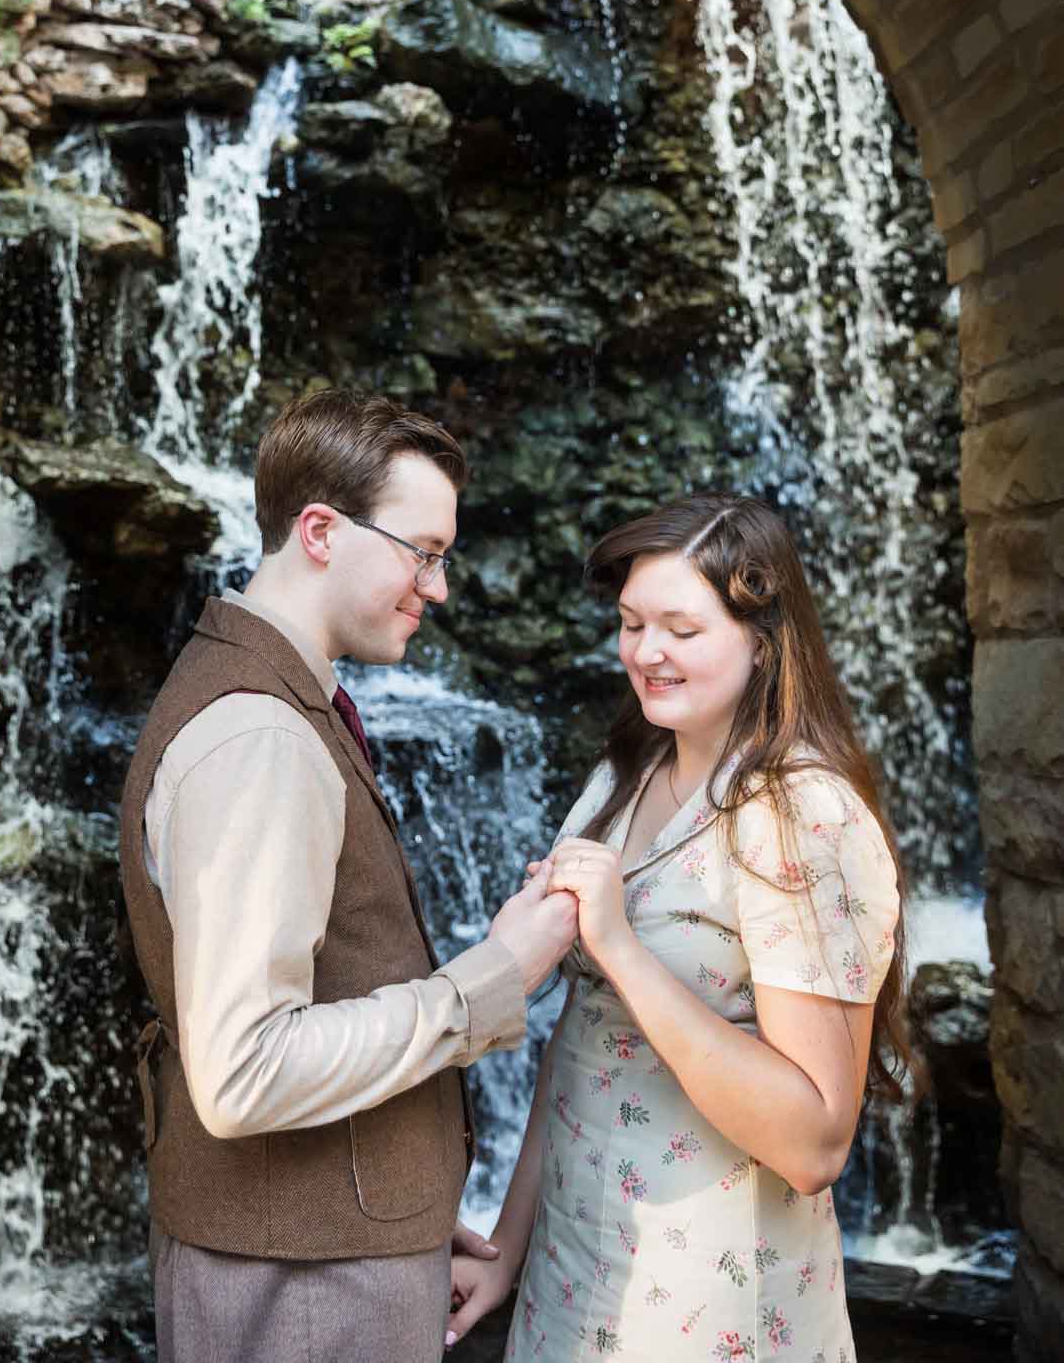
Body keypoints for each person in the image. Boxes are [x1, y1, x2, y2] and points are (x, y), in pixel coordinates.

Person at [118, 387, 579, 1363]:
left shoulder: (277, 696)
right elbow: (245, 1072)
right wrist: (494, 972)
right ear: (320, 530)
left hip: (324, 1255)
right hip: (301, 1285)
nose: (438, 586)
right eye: (422, 551)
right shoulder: (261, 736)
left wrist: (401, 1207)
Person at [447, 493, 907, 1362]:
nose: (646, 653)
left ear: (762, 639)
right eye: (629, 624)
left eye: (680, 630)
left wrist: (618, 947)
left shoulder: (799, 814)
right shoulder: (624, 772)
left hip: (712, 1295)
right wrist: (506, 1248)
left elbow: (814, 1143)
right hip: (573, 1269)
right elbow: (583, 1040)